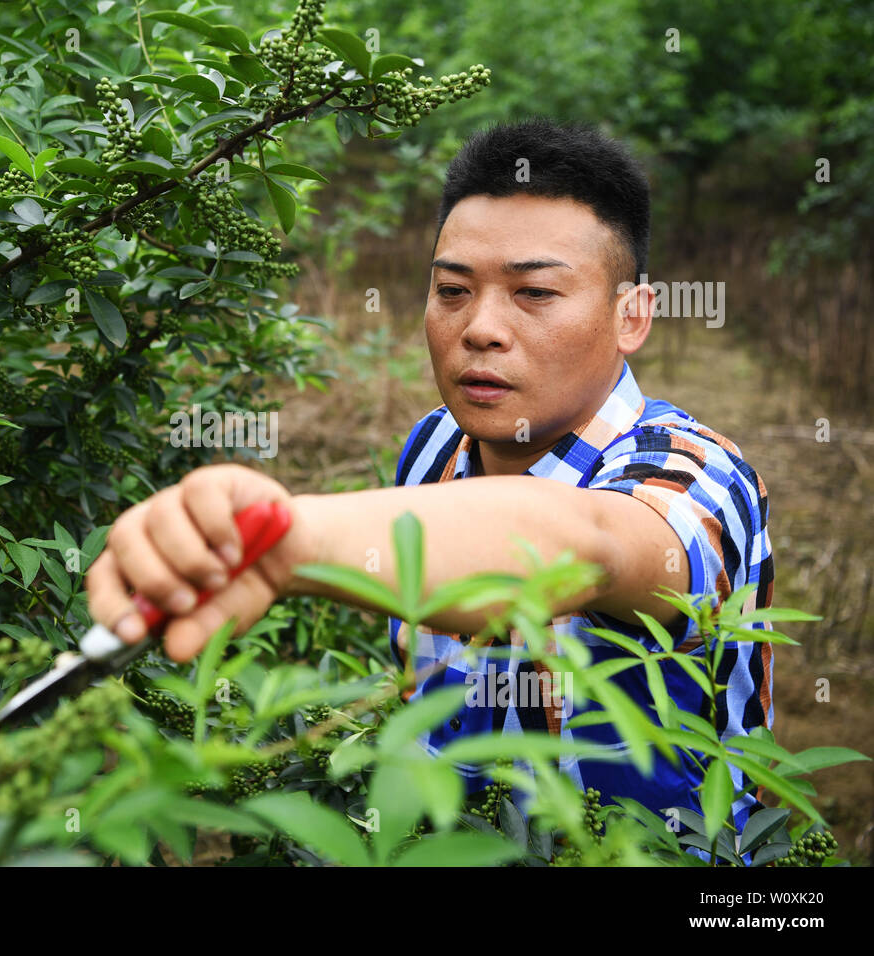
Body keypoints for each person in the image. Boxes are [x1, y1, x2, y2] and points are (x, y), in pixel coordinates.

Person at [83, 117, 774, 846]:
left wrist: (289, 542)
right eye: (452, 290)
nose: (480, 328)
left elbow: (586, 541)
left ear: (631, 315)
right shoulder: (436, 442)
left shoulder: (695, 472)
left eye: (534, 293)